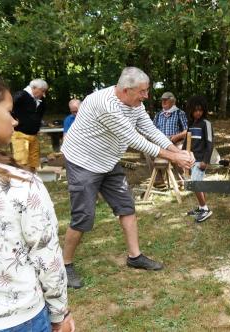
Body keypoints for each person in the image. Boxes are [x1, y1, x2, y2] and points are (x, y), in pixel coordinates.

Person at [60, 67, 194, 289]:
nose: (146, 96)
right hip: (83, 161)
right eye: (142, 91)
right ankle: (65, 264)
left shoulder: (135, 103)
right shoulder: (105, 105)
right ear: (125, 90)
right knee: (83, 215)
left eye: (147, 91)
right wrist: (174, 157)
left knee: (126, 206)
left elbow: (150, 130)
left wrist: (176, 151)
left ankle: (135, 256)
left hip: (108, 159)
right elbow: (135, 139)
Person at [0, 71, 75, 332]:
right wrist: (60, 313)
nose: (14, 120)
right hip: (18, 318)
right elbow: (47, 257)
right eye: (9, 112)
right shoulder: (22, 185)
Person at [183, 95, 214, 223]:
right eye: (195, 110)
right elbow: (187, 141)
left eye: (200, 110)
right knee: (198, 184)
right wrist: (183, 154)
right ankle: (201, 207)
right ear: (190, 110)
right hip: (191, 159)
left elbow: (210, 143)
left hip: (201, 160)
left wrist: (205, 161)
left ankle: (206, 210)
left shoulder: (206, 124)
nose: (198, 113)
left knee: (195, 184)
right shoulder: (191, 124)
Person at [11, 78, 48, 171]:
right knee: (21, 160)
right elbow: (7, 107)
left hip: (34, 135)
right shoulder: (21, 95)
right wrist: (12, 120)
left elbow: (40, 114)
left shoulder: (41, 100)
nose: (44, 94)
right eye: (42, 91)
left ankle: (32, 180)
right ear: (34, 88)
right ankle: (22, 181)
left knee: (33, 161)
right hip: (20, 134)